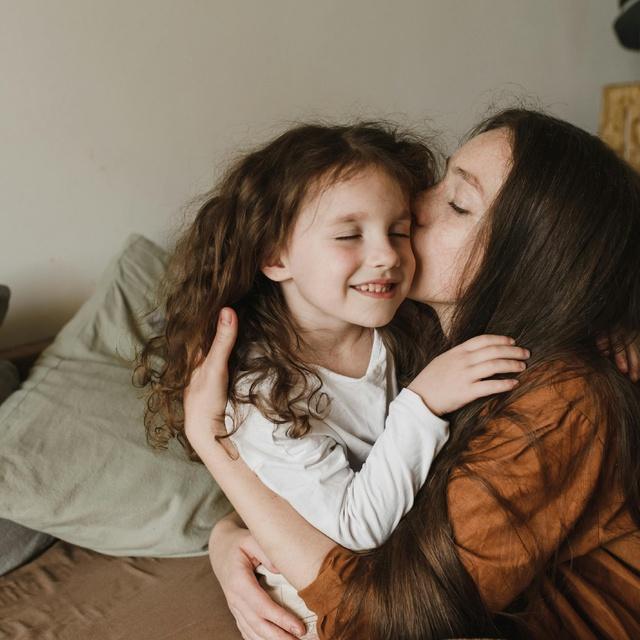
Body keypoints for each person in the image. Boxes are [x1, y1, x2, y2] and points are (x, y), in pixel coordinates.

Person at [184, 108, 640, 640]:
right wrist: (228, 535)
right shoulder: (417, 332)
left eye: (458, 203)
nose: (414, 203)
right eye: (440, 179)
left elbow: (384, 623)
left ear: (531, 261)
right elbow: (323, 472)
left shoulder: (559, 398)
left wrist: (215, 445)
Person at [135, 121, 529, 635]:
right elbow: (355, 528)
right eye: (349, 235)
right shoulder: (261, 389)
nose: (387, 255)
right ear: (276, 256)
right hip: (314, 607)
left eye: (399, 230)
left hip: (404, 566)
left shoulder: (397, 321)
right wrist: (423, 403)